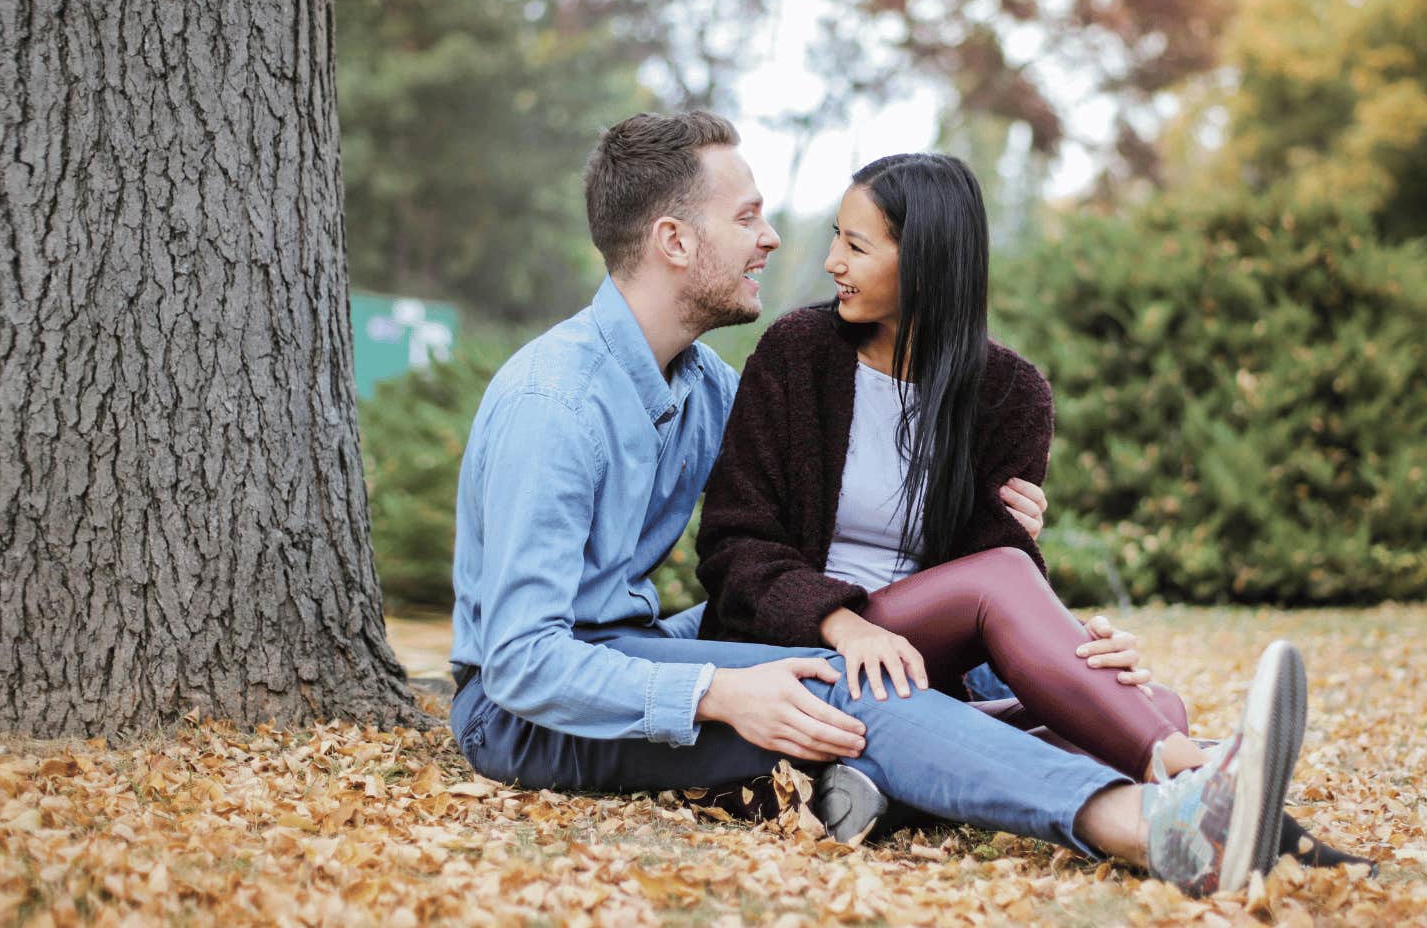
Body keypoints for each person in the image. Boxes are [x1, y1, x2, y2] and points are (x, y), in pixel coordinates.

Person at [446, 111, 1310, 896]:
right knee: (843, 683)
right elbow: (523, 661)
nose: (775, 240)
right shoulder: (554, 406)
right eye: (746, 217)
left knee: (867, 678)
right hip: (523, 712)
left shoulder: (703, 388)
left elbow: (804, 507)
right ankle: (1152, 823)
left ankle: (1164, 766)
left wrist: (1037, 603)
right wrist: (716, 693)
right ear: (673, 239)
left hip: (635, 647)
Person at [696, 152, 1370, 869]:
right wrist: (843, 622)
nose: (833, 261)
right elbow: (735, 542)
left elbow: (988, 571)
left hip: (917, 667)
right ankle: (1196, 777)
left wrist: (1077, 645)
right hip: (797, 643)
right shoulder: (798, 354)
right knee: (1107, 689)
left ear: (926, 260)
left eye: (856, 246)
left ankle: (879, 781)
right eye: (838, 237)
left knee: (1150, 700)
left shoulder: (1010, 394)